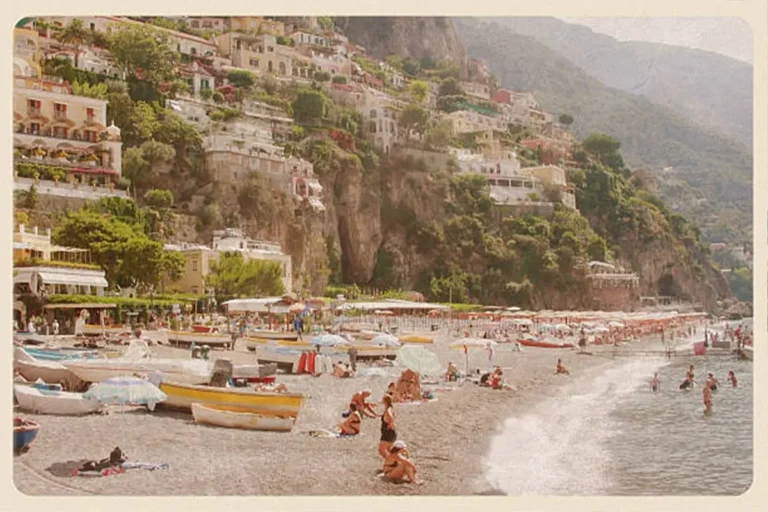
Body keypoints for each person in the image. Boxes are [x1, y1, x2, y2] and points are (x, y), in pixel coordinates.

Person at [379, 394, 397, 459]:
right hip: (390, 432)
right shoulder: (390, 408)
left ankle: (391, 462)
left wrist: (391, 423)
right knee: (389, 450)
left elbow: (390, 417)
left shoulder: (388, 410)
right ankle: (391, 463)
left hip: (388, 433)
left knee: (382, 450)